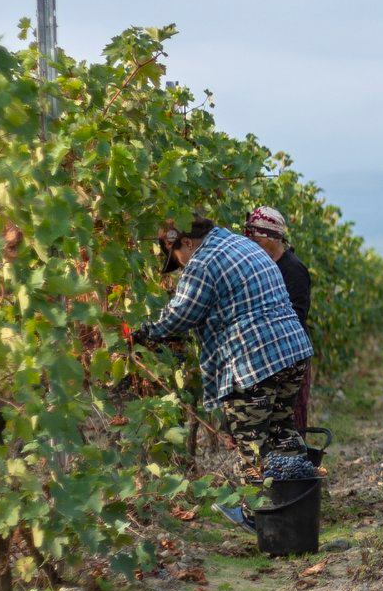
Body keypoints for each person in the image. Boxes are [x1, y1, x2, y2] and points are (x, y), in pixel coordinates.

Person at [132, 217, 312, 528]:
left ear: (185, 243)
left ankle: (261, 518)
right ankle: (301, 509)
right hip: (292, 352)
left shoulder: (204, 260)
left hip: (256, 361)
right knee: (283, 433)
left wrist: (143, 333)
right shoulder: (240, 244)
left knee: (253, 443)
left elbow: (180, 315)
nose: (180, 267)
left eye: (176, 259)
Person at [242, 205, 313, 432]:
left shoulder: (293, 270)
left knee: (288, 418)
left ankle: (296, 464)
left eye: (258, 242)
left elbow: (297, 316)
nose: (254, 247)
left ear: (274, 238)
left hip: (289, 356)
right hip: (264, 354)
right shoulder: (258, 268)